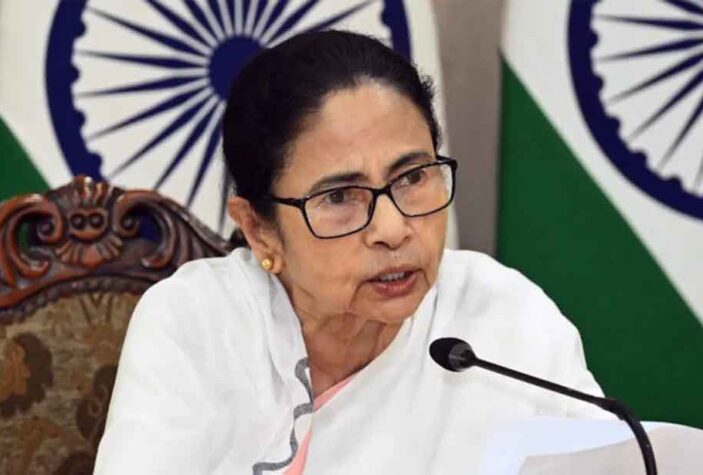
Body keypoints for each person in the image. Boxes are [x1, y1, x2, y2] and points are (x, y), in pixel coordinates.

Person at [95, 30, 605, 474]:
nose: (393, 229)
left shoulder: (503, 319)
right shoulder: (197, 325)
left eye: (413, 177)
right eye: (339, 197)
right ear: (259, 229)